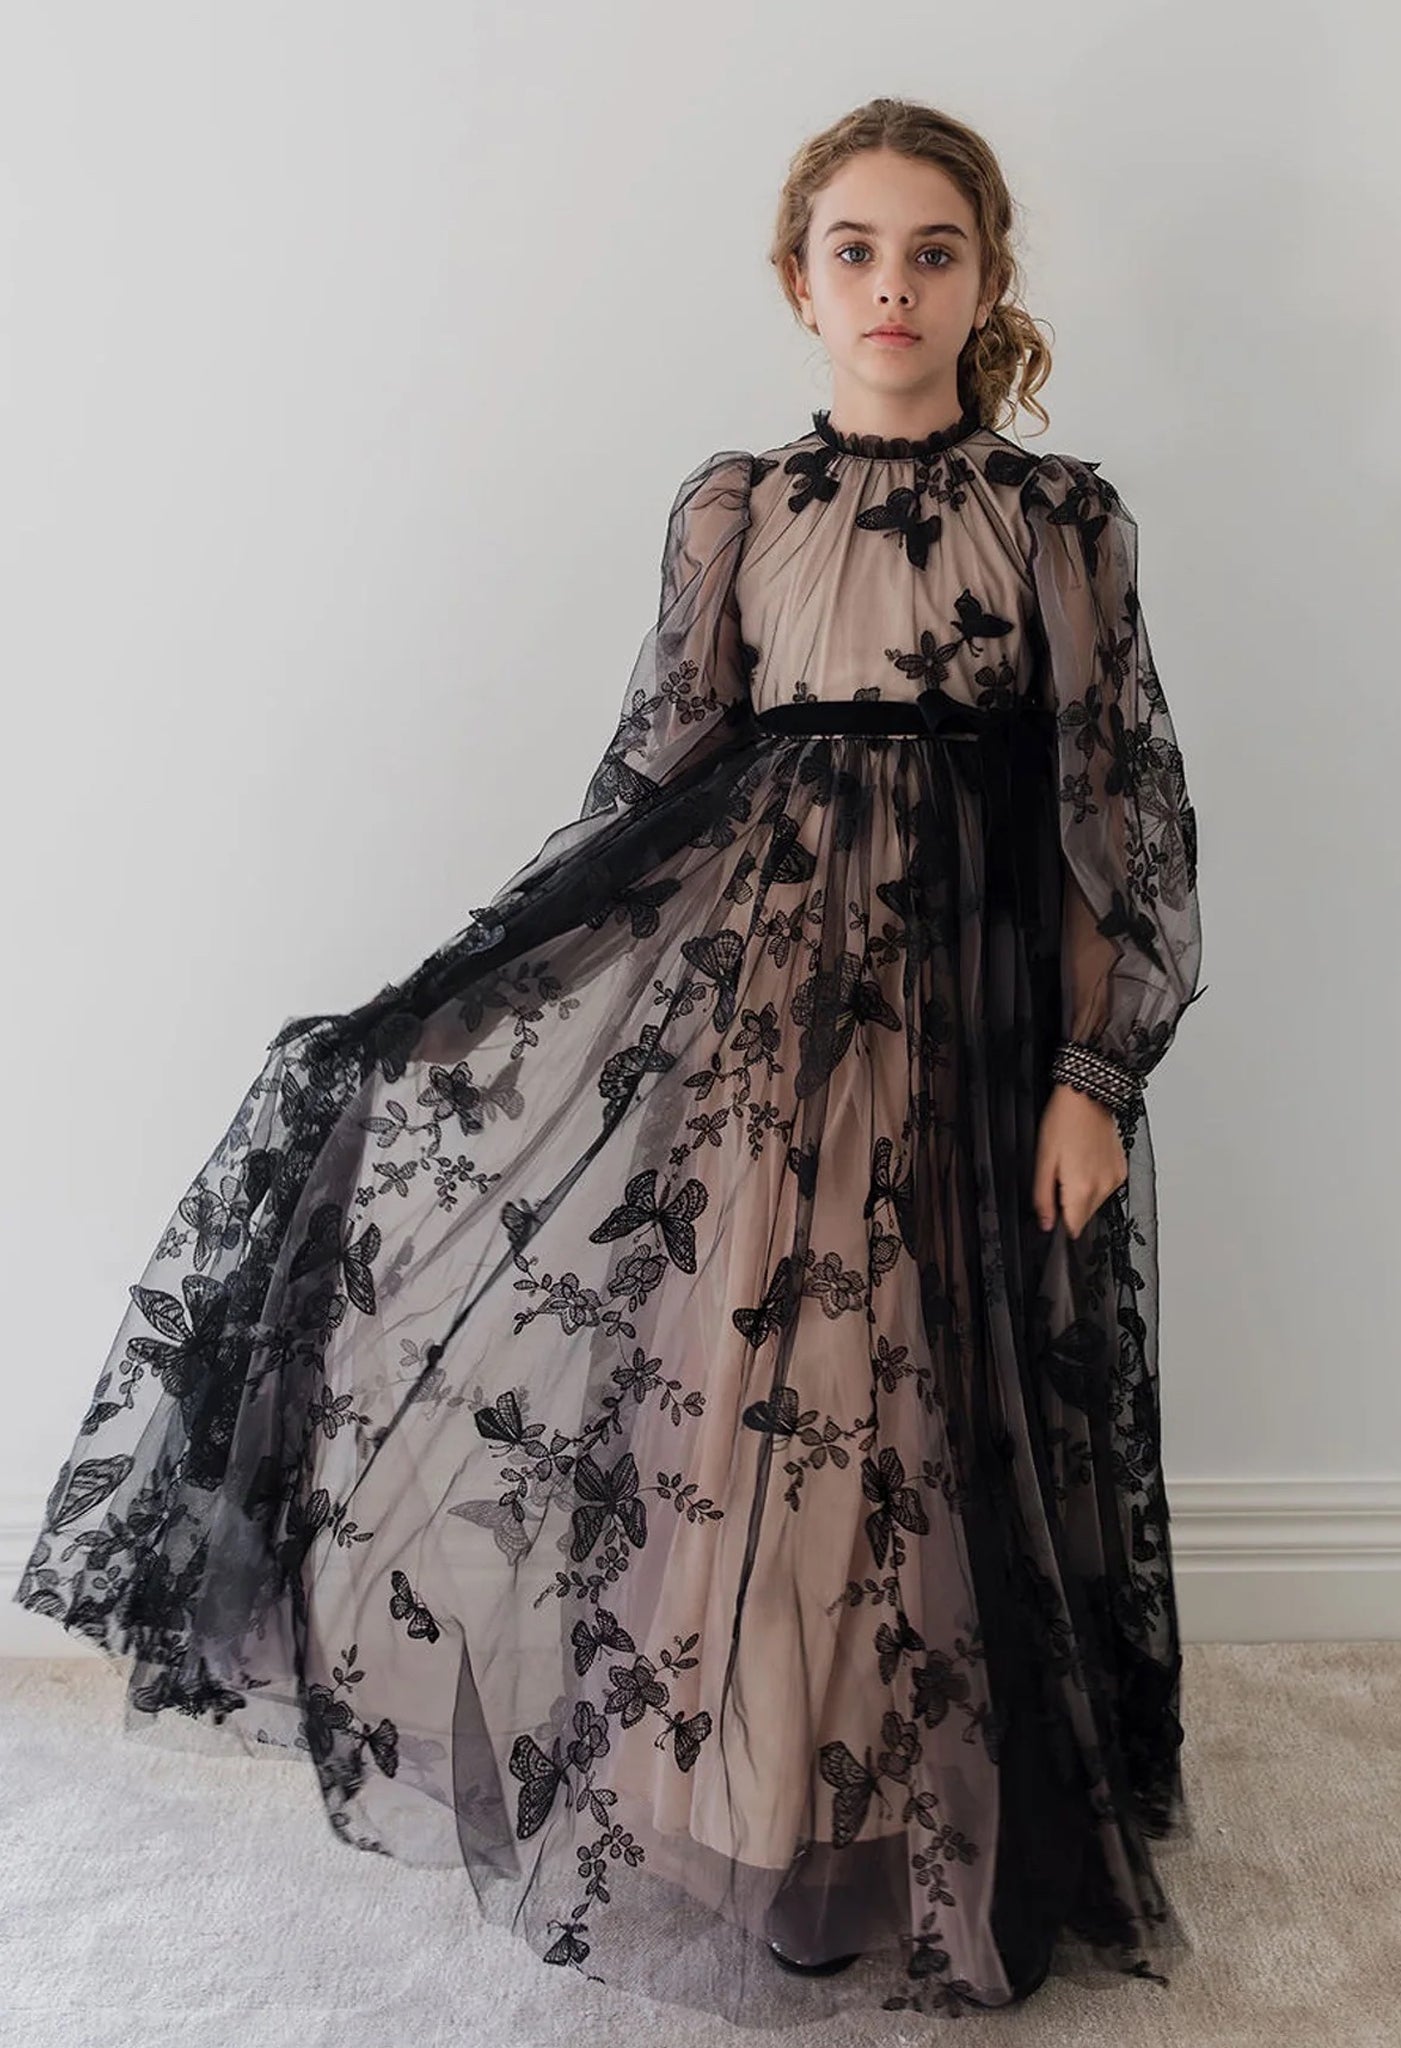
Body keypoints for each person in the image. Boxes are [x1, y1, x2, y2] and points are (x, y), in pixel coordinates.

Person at [13, 96, 1207, 2024]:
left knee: (939, 1410)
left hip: (978, 1033)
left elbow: (1114, 813)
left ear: (989, 280)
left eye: (934, 252)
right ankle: (759, 1808)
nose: (892, 287)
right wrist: (465, 992)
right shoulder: (741, 506)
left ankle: (940, 1826)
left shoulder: (1059, 519)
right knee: (772, 1405)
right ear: (796, 279)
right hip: (766, 1030)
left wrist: (1098, 1072)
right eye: (855, 251)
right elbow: (651, 781)